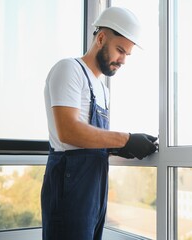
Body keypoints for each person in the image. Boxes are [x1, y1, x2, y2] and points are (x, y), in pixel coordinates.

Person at [41, 7, 157, 240]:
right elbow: (69, 131)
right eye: (120, 50)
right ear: (101, 38)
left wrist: (124, 148)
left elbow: (91, 137)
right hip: (69, 184)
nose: (123, 60)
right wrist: (125, 138)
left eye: (127, 55)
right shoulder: (69, 69)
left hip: (95, 188)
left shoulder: (103, 90)